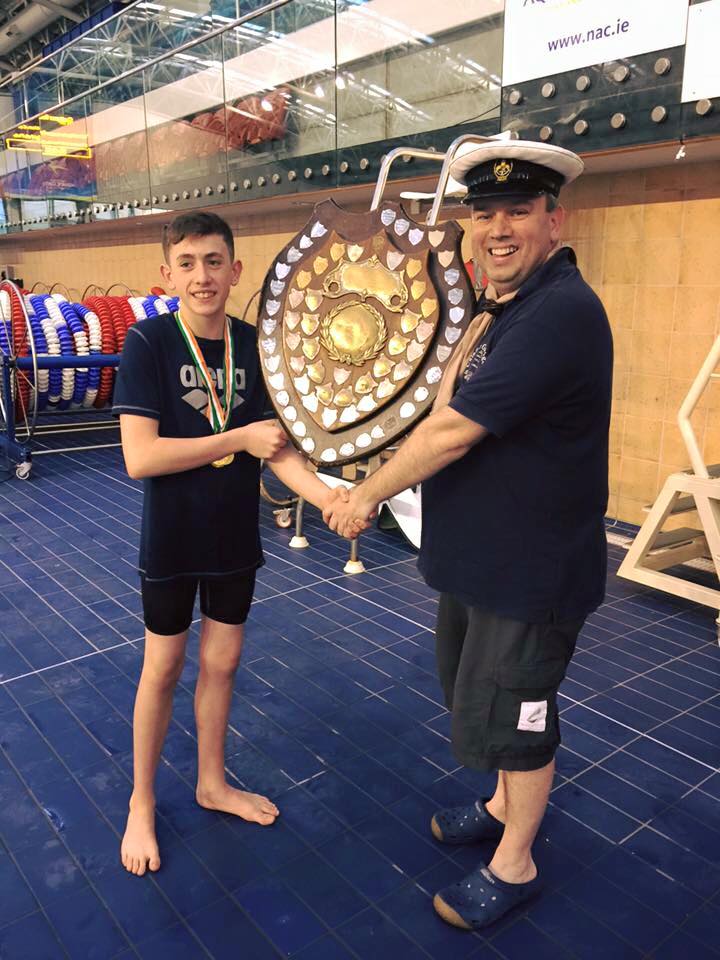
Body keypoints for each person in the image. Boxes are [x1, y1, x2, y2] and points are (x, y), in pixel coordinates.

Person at [325, 140, 612, 929]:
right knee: (479, 699)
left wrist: (364, 494)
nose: (497, 229)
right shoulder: (508, 311)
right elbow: (447, 398)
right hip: (486, 565)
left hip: (531, 575)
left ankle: (515, 862)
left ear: (555, 219)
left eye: (518, 211)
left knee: (520, 717)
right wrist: (477, 312)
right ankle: (499, 805)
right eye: (484, 214)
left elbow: (452, 431)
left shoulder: (560, 313)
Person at [113, 210, 348, 876]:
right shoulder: (149, 343)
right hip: (173, 538)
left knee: (222, 664)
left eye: (214, 262)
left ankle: (211, 782)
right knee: (163, 667)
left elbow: (276, 449)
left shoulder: (254, 347)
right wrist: (235, 438)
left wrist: (328, 498)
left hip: (233, 538)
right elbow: (140, 456)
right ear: (167, 275)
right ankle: (140, 800)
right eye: (187, 264)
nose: (202, 276)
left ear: (235, 270)